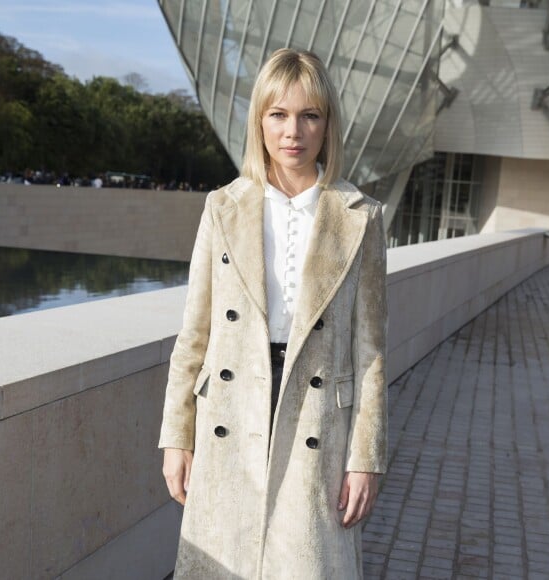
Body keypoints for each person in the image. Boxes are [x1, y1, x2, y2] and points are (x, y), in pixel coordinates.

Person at [159, 48, 388, 579]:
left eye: (310, 115)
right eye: (278, 115)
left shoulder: (361, 217)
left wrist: (366, 457)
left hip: (317, 416)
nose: (293, 132)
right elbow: (194, 334)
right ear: (259, 120)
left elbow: (371, 350)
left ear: (327, 125)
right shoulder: (223, 207)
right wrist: (177, 435)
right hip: (231, 409)